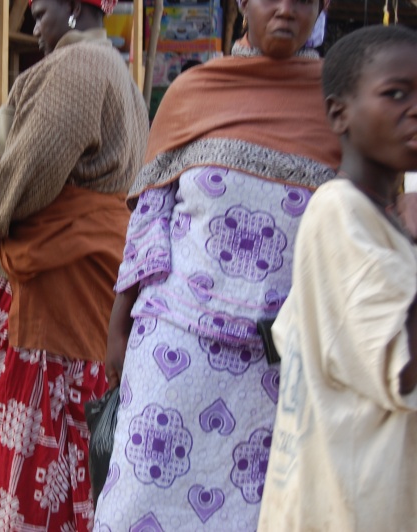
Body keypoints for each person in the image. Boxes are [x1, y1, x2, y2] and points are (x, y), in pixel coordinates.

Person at [93, 0, 341, 530]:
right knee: (137, 510)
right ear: (242, 4)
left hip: (275, 369)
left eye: (304, 0)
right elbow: (150, 214)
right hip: (174, 353)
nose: (285, 9)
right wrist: (120, 322)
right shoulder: (193, 93)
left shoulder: (338, 102)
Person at [0, 0, 148, 528]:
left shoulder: (78, 68)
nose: (32, 15)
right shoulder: (117, 74)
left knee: (33, 458)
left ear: (79, 6)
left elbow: (26, 177)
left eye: (41, 7)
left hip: (45, 299)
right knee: (61, 452)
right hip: (73, 295)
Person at [257, 25, 417, 531]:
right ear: (338, 114)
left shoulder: (383, 220)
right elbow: (404, 368)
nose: (414, 107)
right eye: (396, 93)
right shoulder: (340, 214)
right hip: (349, 508)